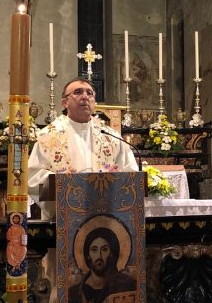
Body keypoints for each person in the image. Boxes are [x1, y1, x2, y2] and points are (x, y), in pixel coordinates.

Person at [27, 78, 138, 217]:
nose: (85, 96)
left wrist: (117, 176)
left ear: (94, 103)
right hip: (63, 219)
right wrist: (59, 181)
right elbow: (32, 178)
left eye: (89, 93)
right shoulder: (47, 137)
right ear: (65, 102)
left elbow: (131, 173)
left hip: (105, 216)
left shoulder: (111, 136)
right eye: (78, 92)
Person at [68, 225, 137, 303]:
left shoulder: (127, 284)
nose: (99, 256)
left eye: (104, 249)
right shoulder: (74, 294)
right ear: (88, 255)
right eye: (94, 250)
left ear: (111, 253)